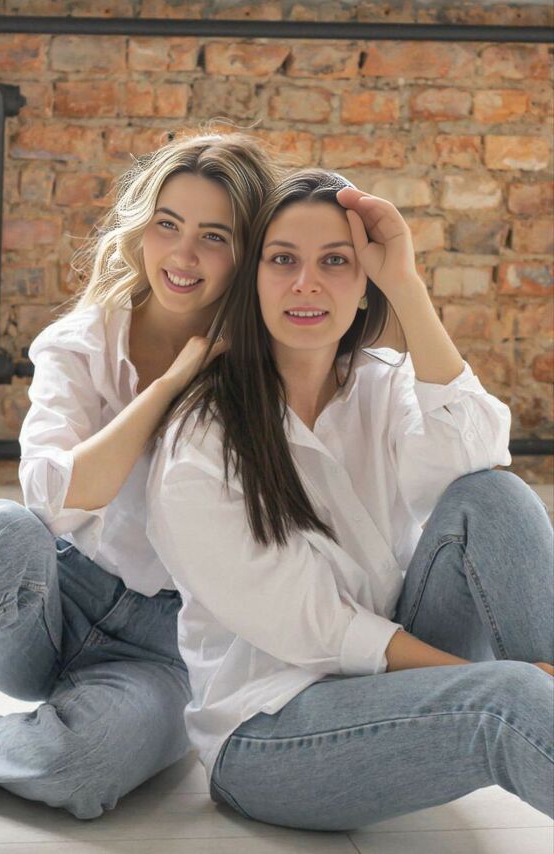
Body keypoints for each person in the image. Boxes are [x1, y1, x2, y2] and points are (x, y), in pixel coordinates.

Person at [146, 168, 554, 831]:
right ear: (253, 280)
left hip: (394, 671)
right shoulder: (200, 443)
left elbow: (479, 456)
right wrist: (498, 684)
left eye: (335, 262)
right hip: (270, 732)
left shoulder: (379, 384)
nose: (307, 283)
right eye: (283, 260)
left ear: (365, 284)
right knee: (505, 702)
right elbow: (323, 630)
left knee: (495, 496)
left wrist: (408, 287)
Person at [0, 130, 281, 819]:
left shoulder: (269, 374)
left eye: (214, 237)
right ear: (142, 228)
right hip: (49, 604)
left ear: (249, 253)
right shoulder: (81, 343)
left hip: (165, 649)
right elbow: (54, 499)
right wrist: (169, 384)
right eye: (168, 225)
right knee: (5, 527)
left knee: (82, 771)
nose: (182, 255)